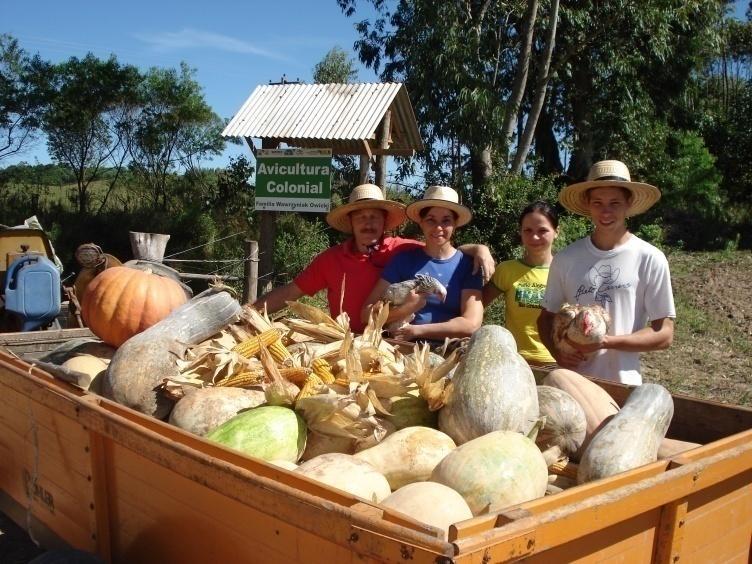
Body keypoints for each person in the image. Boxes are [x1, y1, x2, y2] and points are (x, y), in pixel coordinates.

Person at [253, 183, 494, 333]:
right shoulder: (330, 260)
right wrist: (249, 312)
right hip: (345, 342)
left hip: (385, 342)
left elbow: (442, 248)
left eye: (374, 217)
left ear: (385, 222)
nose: (368, 223)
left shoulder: (402, 250)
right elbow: (291, 292)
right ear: (350, 222)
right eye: (361, 217)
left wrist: (479, 249)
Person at [537, 160, 676, 385]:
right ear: (588, 204)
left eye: (615, 203)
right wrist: (557, 351)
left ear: (628, 203)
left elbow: (664, 334)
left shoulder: (650, 258)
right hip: (575, 384)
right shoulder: (566, 258)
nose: (606, 211)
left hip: (624, 384)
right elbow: (544, 318)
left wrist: (605, 342)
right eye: (598, 203)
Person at [363, 185, 484, 342]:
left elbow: (471, 324)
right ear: (421, 222)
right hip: (401, 350)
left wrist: (417, 331)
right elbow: (366, 314)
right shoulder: (403, 260)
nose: (438, 227)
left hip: (448, 353)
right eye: (431, 220)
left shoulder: (468, 265)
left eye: (446, 220)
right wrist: (406, 309)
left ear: (456, 223)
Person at [482, 201, 559, 378]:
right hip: (514, 361)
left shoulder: (566, 271)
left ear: (556, 232)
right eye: (528, 231)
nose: (534, 237)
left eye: (542, 231)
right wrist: (479, 249)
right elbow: (477, 306)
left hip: (555, 363)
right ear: (520, 232)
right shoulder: (507, 270)